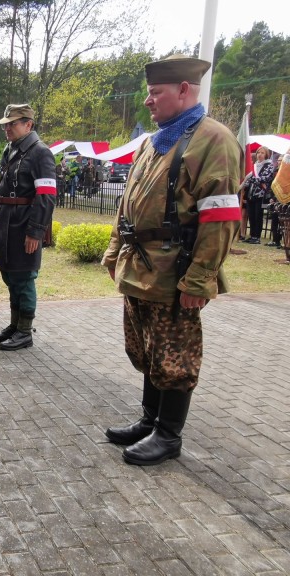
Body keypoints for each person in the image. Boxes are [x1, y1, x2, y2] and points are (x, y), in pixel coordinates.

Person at [101, 55, 241, 466]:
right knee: (147, 348)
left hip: (174, 272)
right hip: (142, 267)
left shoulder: (213, 140)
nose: (148, 101)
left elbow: (220, 218)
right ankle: (150, 419)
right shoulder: (153, 142)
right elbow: (127, 205)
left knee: (174, 355)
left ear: (183, 90)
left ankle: (168, 434)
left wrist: (199, 280)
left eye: (155, 92)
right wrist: (114, 250)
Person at [0, 103, 56, 351]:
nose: (7, 128)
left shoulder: (40, 153)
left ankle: (25, 331)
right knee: (9, 275)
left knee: (24, 278)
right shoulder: (10, 150)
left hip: (24, 224)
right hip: (6, 223)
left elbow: (46, 195)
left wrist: (35, 231)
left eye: (12, 123)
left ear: (28, 124)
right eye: (6, 124)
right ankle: (15, 325)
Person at [243, 146, 275, 244]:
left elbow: (263, 179)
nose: (260, 155)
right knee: (251, 215)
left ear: (266, 155)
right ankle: (252, 235)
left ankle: (257, 237)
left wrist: (252, 179)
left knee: (258, 216)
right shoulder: (254, 165)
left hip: (261, 194)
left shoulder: (269, 165)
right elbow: (248, 180)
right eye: (258, 153)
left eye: (262, 153)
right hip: (251, 193)